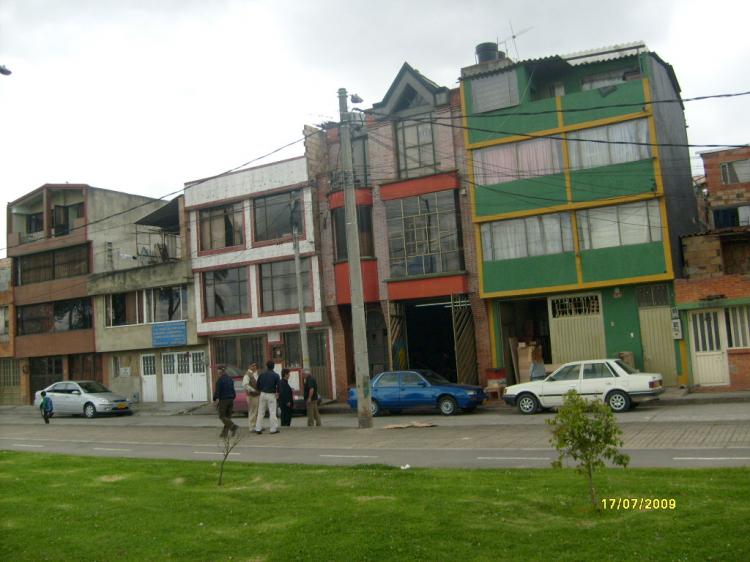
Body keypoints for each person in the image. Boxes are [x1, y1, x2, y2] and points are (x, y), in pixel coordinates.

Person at [254, 360, 280, 434]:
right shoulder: (276, 375)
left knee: (261, 412)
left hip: (262, 394)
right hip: (271, 394)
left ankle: (258, 428)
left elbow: (257, 386)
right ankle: (273, 429)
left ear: (266, 366)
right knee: (272, 412)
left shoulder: (261, 375)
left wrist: (261, 390)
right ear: (273, 366)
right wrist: (278, 393)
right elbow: (279, 386)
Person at [212, 365, 238, 438]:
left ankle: (233, 426)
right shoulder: (230, 379)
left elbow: (217, 391)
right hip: (231, 399)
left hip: (224, 400)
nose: (217, 372)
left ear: (220, 371)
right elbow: (233, 389)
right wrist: (233, 397)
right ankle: (224, 433)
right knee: (227, 417)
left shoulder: (220, 380)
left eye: (218, 371)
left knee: (222, 416)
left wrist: (215, 399)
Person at [242, 361, 260, 429]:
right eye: (252, 366)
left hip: (257, 395)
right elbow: (245, 385)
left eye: (255, 365)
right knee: (252, 411)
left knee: (256, 411)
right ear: (249, 366)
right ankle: (252, 426)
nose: (254, 367)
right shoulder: (247, 374)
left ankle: (255, 425)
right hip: (251, 396)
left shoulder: (255, 374)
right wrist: (253, 390)